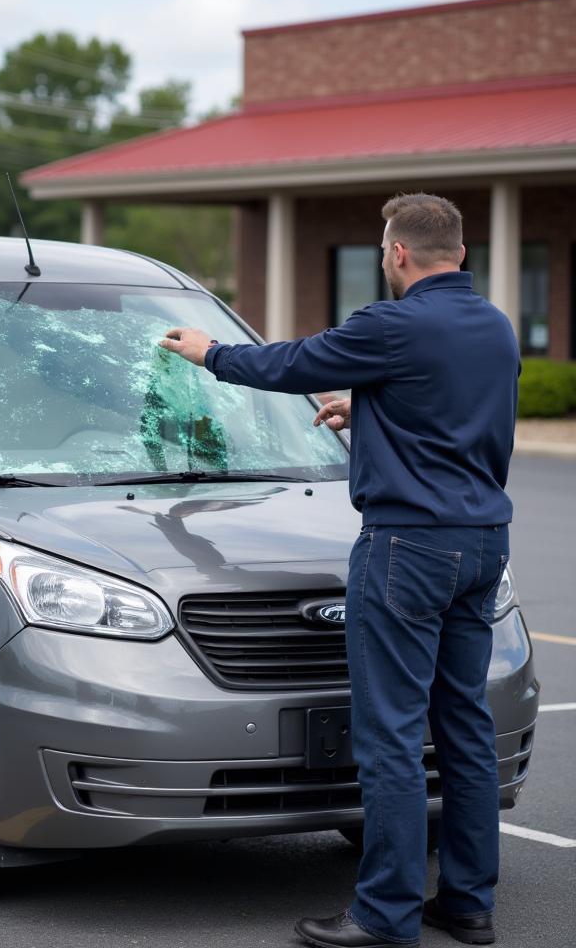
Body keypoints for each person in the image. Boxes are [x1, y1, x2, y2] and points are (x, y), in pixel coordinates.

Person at [160, 193, 518, 948]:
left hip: (408, 548)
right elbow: (457, 411)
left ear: (396, 254)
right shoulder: (493, 325)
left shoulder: (390, 325)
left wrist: (210, 353)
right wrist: (371, 411)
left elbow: (291, 362)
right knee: (464, 729)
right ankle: (468, 903)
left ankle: (385, 917)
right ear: (457, 250)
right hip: (484, 542)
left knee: (388, 735)